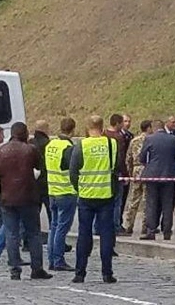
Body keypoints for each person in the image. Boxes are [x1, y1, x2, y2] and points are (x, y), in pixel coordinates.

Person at [0, 122, 51, 281]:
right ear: (24, 133)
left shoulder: (0, 150)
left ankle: (14, 269)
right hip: (28, 196)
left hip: (7, 197)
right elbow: (40, 167)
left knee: (11, 233)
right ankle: (37, 268)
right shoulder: (30, 150)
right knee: (33, 233)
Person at [70, 115, 119, 283]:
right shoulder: (111, 144)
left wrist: (79, 188)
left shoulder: (81, 145)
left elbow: (73, 172)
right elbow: (115, 167)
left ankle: (80, 273)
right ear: (102, 127)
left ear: (87, 127)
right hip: (106, 194)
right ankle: (107, 273)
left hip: (86, 196)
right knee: (106, 235)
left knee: (84, 234)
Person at [139, 119, 175, 241]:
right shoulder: (174, 139)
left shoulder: (149, 139)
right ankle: (167, 231)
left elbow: (142, 157)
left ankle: (151, 230)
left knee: (151, 203)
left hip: (152, 175)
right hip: (168, 175)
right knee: (167, 204)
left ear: (153, 128)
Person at [45, 117, 78, 271]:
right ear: (73, 130)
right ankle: (58, 259)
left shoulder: (51, 144)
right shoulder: (68, 147)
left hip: (52, 190)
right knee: (61, 228)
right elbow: (72, 169)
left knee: (54, 226)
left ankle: (51, 259)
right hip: (66, 191)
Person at [123, 120, 153, 235]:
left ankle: (129, 224)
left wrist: (130, 172)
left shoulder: (134, 140)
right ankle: (145, 226)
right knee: (146, 200)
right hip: (147, 170)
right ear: (148, 128)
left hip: (136, 170)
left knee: (133, 200)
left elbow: (128, 158)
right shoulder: (151, 140)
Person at [31, 120, 52, 223]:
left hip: (34, 183)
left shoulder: (30, 143)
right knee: (51, 214)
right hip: (46, 183)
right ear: (45, 129)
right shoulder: (48, 144)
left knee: (34, 215)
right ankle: (52, 232)